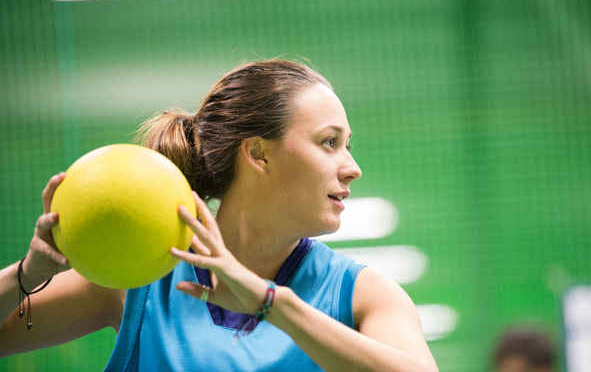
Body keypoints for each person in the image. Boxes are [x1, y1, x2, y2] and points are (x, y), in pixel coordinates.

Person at [0, 59, 438, 371]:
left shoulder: (364, 295)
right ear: (258, 154)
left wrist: (272, 304)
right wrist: (28, 272)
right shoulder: (142, 277)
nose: (352, 166)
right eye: (329, 142)